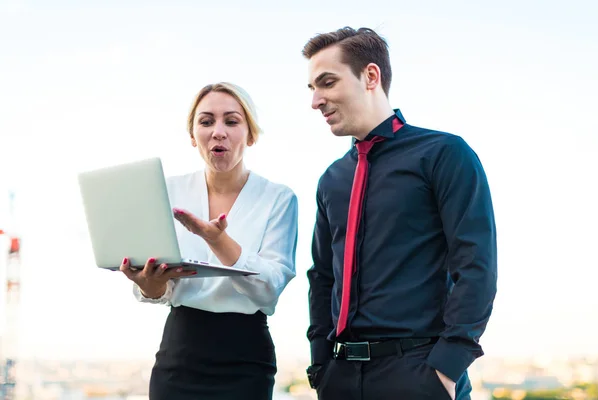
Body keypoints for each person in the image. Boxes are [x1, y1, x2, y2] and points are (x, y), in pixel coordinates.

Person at [303, 27, 497, 400]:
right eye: (312, 88)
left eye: (326, 83)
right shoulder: (332, 179)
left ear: (371, 76)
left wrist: (447, 367)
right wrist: (321, 365)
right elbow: (322, 277)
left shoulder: (443, 154)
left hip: (418, 374)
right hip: (340, 378)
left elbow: (477, 264)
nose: (316, 100)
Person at [119, 82, 298, 400]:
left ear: (250, 134)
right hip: (180, 353)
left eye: (231, 121)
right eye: (206, 122)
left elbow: (269, 290)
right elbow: (161, 291)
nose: (218, 132)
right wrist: (149, 283)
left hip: (246, 358)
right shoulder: (168, 191)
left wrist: (217, 240)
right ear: (192, 136)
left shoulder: (278, 198)